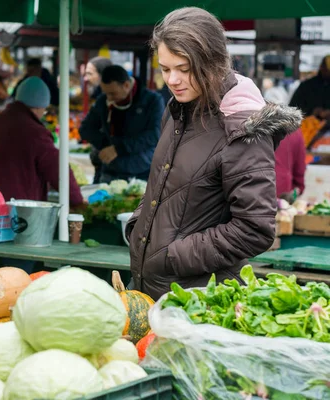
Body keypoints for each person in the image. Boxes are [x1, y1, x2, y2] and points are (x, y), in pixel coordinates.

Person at [125, 7, 302, 300]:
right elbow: (164, 184)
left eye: (184, 69)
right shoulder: (176, 113)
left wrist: (172, 256)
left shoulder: (242, 128)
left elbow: (254, 229)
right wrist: (138, 227)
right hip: (153, 292)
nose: (172, 80)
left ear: (213, 62)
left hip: (201, 301)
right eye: (165, 69)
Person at [0, 76, 83, 205]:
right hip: (15, 212)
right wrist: (79, 202)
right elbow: (58, 170)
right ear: (40, 107)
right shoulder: (35, 132)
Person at [80, 65, 164, 183]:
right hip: (110, 170)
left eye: (113, 94)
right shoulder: (103, 100)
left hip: (143, 171)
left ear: (126, 85)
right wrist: (106, 145)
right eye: (106, 93)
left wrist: (119, 148)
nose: (109, 98)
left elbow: (155, 134)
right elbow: (85, 129)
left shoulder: (153, 101)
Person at [275, 129, 306, 199]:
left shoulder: (250, 126)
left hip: (252, 196)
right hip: (283, 196)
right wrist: (296, 191)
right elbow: (299, 170)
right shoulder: (294, 130)